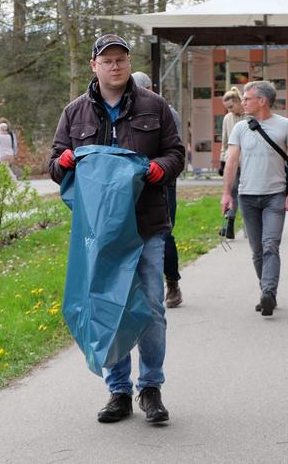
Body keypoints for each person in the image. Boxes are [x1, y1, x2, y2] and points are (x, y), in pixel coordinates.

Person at [49, 34, 184, 424]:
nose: (115, 66)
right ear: (95, 66)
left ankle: (151, 388)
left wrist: (160, 169)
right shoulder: (75, 113)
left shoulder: (155, 107)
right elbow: (54, 165)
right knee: (109, 303)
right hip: (100, 231)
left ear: (128, 64)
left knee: (153, 307)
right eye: (107, 60)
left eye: (121, 59)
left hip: (146, 224)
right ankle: (118, 391)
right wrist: (67, 159)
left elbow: (176, 153)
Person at [221, 81, 288, 317]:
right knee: (257, 250)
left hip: (274, 196)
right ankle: (265, 290)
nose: (243, 102)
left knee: (270, 246)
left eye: (247, 99)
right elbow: (232, 162)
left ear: (262, 101)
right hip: (247, 196)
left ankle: (268, 292)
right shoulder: (240, 128)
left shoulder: (285, 125)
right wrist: (227, 193)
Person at [131, 70, 183, 308]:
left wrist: (159, 169)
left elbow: (175, 150)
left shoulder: (166, 111)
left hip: (162, 184)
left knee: (164, 233)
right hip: (132, 186)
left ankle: (172, 282)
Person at [219, 87, 245, 239]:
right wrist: (223, 161)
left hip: (247, 162)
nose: (229, 110)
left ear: (239, 102)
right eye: (227, 108)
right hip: (231, 162)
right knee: (231, 193)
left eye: (231, 106)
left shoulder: (249, 116)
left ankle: (248, 226)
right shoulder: (228, 118)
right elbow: (224, 141)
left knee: (246, 194)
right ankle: (229, 225)